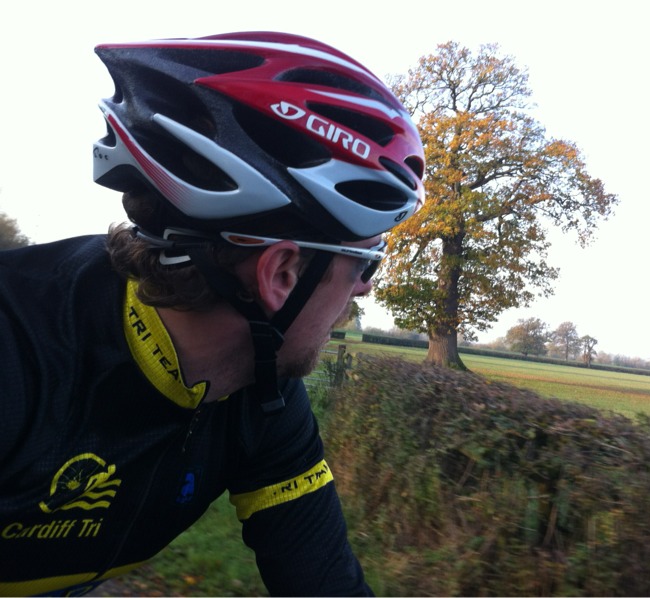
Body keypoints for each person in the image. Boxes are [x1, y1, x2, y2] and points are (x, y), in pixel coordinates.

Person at [0, 31, 425, 596]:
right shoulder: (17, 349)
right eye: (367, 261)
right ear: (281, 273)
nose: (366, 289)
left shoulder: (263, 394)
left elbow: (326, 583)